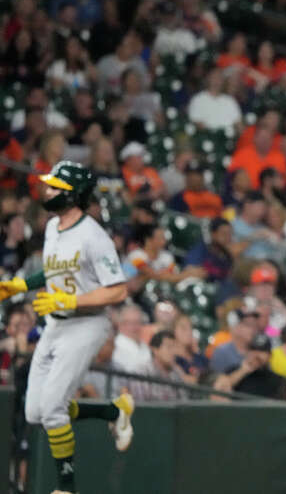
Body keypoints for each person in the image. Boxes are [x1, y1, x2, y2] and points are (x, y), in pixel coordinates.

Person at [0, 161, 134, 494]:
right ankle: (113, 410)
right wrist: (20, 285)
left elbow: (118, 289)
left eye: (55, 187)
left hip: (86, 324)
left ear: (73, 194)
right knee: (35, 412)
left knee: (52, 409)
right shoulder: (52, 227)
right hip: (56, 324)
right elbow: (53, 271)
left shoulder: (93, 236)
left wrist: (68, 302)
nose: (47, 191)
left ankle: (67, 488)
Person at [131, 330, 186, 402]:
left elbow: (184, 403)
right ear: (155, 350)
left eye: (174, 347)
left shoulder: (176, 373)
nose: (173, 352)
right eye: (169, 347)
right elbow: (141, 407)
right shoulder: (142, 372)